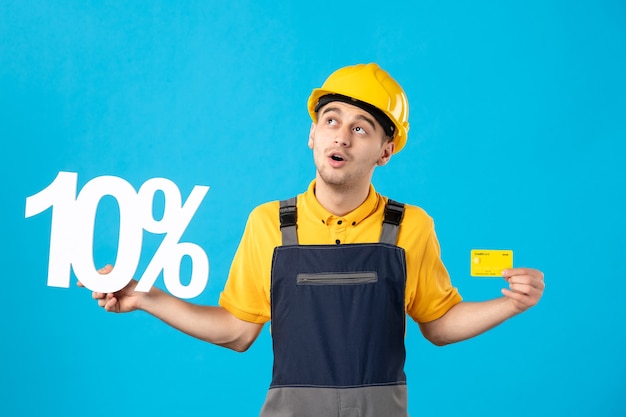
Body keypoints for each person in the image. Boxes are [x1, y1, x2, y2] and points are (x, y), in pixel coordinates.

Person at [82, 63, 545, 416]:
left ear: (385, 150)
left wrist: (510, 304)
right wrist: (145, 297)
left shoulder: (411, 227)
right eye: (331, 120)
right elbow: (238, 331)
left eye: (361, 127)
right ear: (311, 134)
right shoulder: (269, 223)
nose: (341, 135)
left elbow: (438, 324)